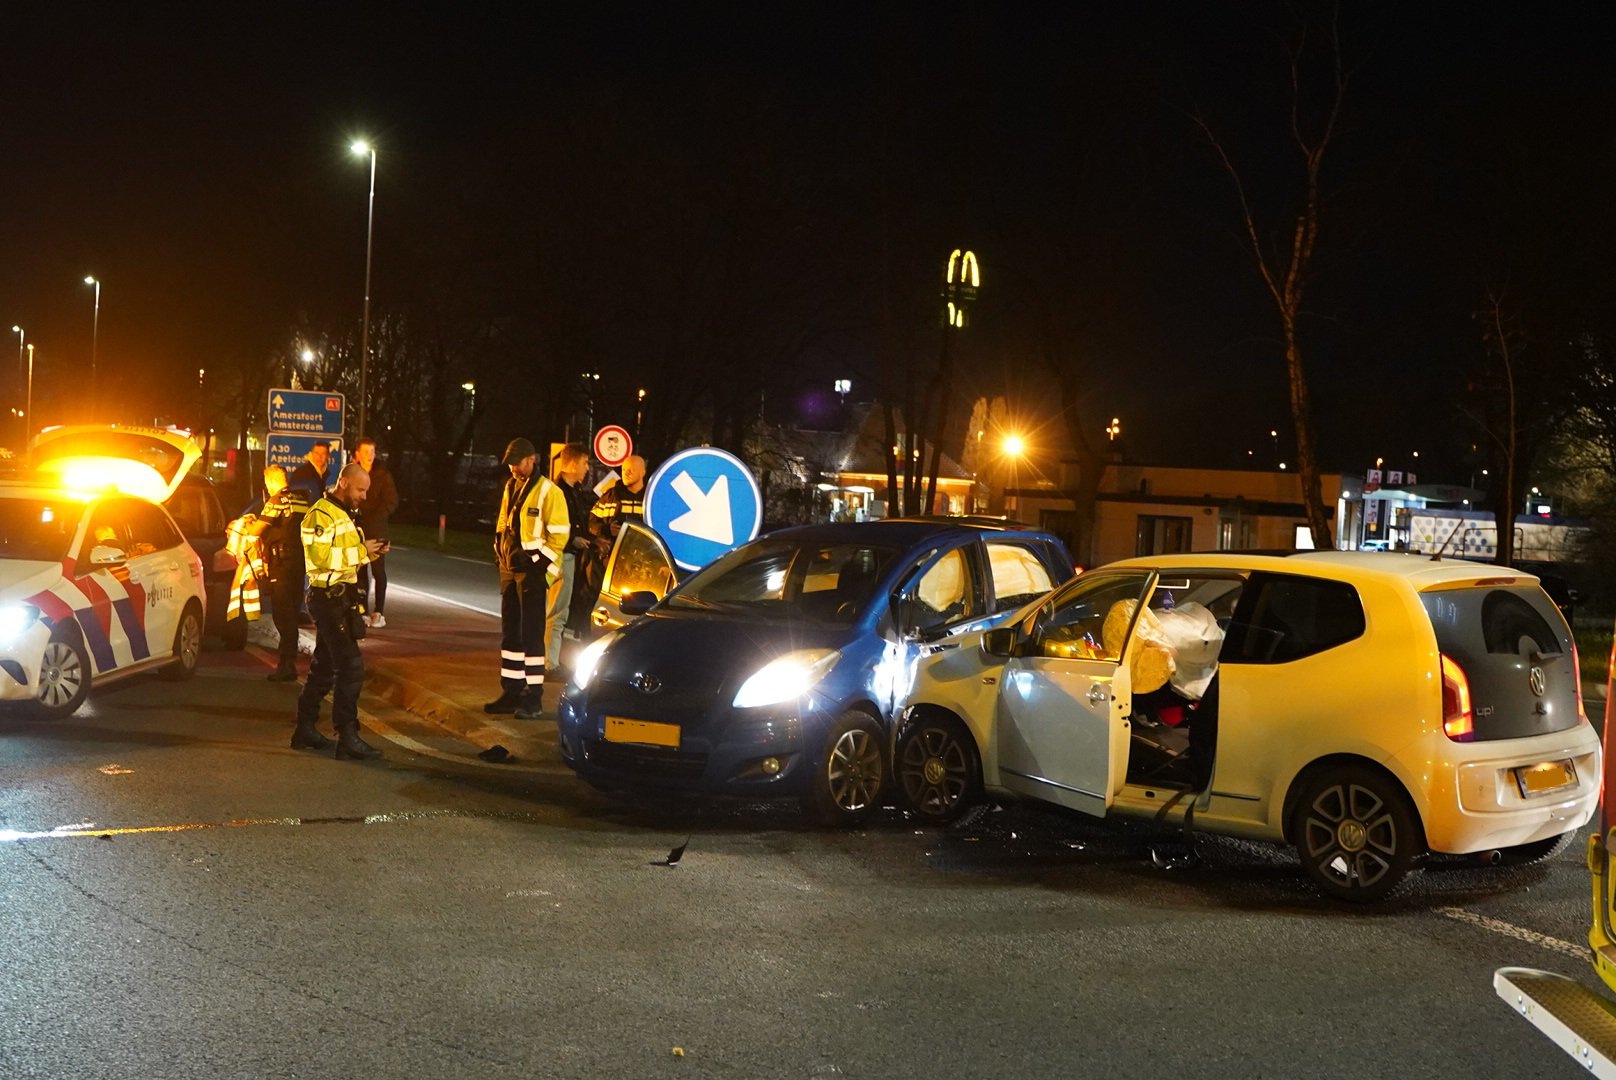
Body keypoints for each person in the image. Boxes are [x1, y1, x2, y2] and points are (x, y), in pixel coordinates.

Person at [293, 462, 387, 760]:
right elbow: (319, 557)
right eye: (361, 489)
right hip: (327, 599)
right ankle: (347, 736)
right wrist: (362, 552)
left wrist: (366, 549)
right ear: (344, 483)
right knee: (351, 667)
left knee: (323, 667)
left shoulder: (344, 514)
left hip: (339, 600)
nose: (364, 496)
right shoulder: (320, 514)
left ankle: (304, 729)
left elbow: (341, 555)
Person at [487, 438, 569, 720]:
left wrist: (537, 562)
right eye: (510, 463)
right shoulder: (511, 486)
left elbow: (559, 536)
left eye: (518, 462)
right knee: (511, 632)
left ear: (532, 460)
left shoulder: (550, 491)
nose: (513, 468)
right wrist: (499, 548)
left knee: (532, 635)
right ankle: (511, 691)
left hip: (532, 572)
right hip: (510, 568)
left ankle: (533, 697)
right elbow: (503, 521)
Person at [237, 464, 312, 681]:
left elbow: (258, 530)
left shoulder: (276, 500)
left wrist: (245, 524)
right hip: (299, 564)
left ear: (270, 482)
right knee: (292, 611)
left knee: (283, 614)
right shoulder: (301, 500)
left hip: (281, 563)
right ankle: (288, 661)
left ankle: (287, 664)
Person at [546, 444, 593, 686]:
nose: (587, 468)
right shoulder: (557, 492)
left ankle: (551, 660)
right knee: (556, 613)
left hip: (567, 556)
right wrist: (571, 540)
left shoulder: (571, 491)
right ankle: (548, 663)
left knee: (559, 612)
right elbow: (552, 528)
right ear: (573, 463)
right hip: (560, 558)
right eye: (585, 463)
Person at [352, 436, 398, 628]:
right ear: (357, 454)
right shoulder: (352, 473)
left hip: (377, 529)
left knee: (378, 571)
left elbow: (392, 501)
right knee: (359, 572)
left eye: (372, 451)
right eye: (366, 452)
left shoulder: (383, 475)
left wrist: (377, 515)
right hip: (357, 530)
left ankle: (379, 612)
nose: (370, 455)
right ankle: (362, 609)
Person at [589, 454, 647, 541]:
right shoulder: (610, 496)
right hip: (614, 550)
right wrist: (607, 530)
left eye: (632, 470)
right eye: (624, 470)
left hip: (643, 550)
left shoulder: (649, 499)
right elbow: (592, 523)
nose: (626, 473)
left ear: (642, 472)